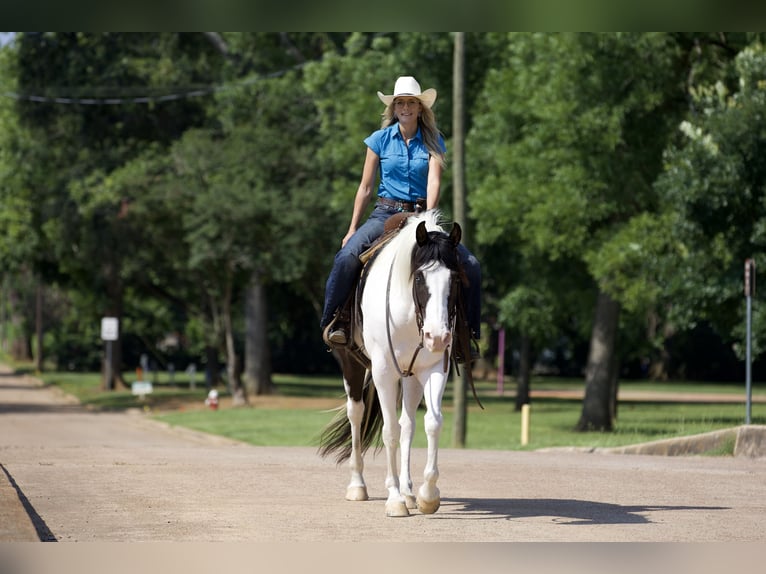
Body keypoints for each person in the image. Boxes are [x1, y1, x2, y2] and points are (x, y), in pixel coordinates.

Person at [320, 76, 482, 358]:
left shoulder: (434, 141)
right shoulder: (378, 140)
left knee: (471, 264)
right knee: (346, 256)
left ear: (420, 108)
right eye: (400, 103)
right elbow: (366, 187)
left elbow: (433, 182)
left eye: (411, 102)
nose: (405, 107)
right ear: (394, 108)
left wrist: (429, 219)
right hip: (384, 212)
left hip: (421, 215)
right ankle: (337, 322)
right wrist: (352, 227)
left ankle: (465, 335)